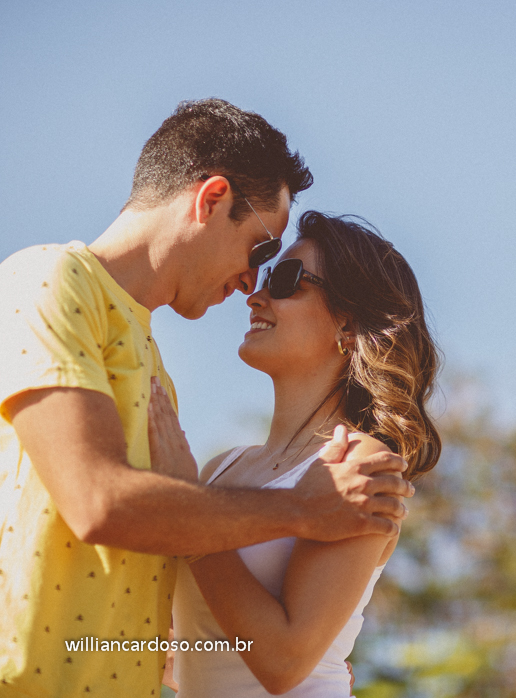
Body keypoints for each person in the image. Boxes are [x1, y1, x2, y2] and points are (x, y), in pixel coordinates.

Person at [0, 100, 413, 698]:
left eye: (282, 274)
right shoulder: (50, 282)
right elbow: (100, 504)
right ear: (211, 200)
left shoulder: (156, 374)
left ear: (348, 325)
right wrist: (295, 509)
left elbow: (255, 649)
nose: (254, 286)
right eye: (260, 252)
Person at [148, 211, 440, 696]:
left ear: (347, 321)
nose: (255, 296)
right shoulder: (221, 468)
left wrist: (189, 514)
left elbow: (283, 662)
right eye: (263, 277)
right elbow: (217, 646)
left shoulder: (357, 464)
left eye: (287, 280)